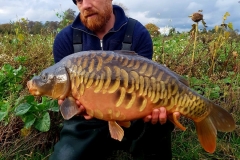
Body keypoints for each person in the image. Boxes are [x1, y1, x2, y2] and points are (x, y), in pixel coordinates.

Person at [49, 0, 180, 159]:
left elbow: (149, 86)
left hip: (135, 115)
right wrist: (71, 106)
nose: (85, 5)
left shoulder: (138, 33)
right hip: (87, 122)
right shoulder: (65, 39)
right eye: (79, 1)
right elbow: (65, 95)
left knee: (161, 120)